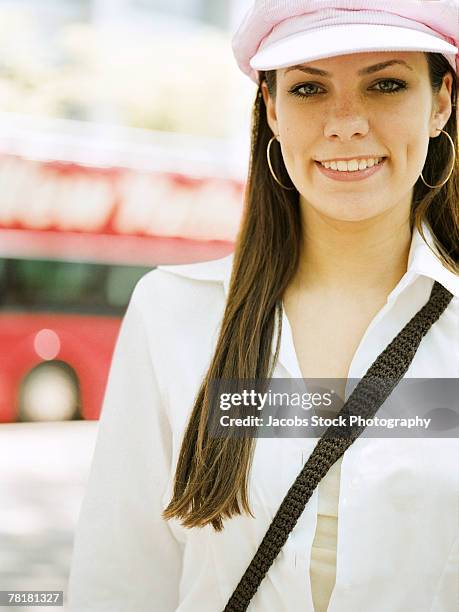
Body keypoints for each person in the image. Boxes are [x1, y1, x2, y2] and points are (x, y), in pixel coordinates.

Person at [68, 1, 459, 610]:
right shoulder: (172, 313)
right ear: (272, 109)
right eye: (308, 88)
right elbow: (117, 581)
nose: (346, 122)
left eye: (386, 84)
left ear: (440, 102)